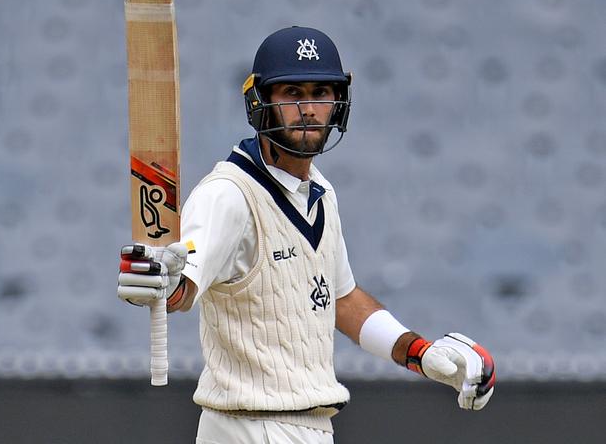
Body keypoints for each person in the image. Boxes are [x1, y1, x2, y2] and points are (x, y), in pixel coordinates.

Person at [118, 26, 495, 443]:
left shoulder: (320, 193)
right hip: (247, 426)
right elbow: (182, 287)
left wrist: (420, 353)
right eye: (292, 93)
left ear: (338, 102)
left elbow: (340, 299)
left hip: (309, 425)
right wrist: (160, 284)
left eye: (320, 92)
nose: (308, 108)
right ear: (261, 102)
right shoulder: (228, 195)